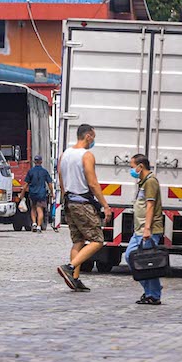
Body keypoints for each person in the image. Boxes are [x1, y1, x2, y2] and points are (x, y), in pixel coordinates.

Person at [57, 124, 110, 291]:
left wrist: (65, 199)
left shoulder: (64, 154)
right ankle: (70, 267)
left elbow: (61, 178)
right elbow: (93, 183)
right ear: (88, 136)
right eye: (93, 137)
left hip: (69, 201)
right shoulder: (86, 155)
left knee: (78, 241)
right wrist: (105, 206)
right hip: (82, 202)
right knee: (97, 240)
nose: (93, 140)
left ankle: (75, 279)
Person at [125, 154, 165, 305]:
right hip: (139, 229)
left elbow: (150, 206)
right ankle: (151, 290)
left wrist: (147, 229)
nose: (132, 170)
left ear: (140, 166)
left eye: (132, 167)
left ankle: (153, 294)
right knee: (132, 257)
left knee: (147, 262)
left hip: (147, 230)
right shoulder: (144, 182)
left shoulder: (151, 182)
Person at [21, 154, 53, 233]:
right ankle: (39, 226)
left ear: (34, 162)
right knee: (40, 210)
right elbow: (49, 183)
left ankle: (34, 223)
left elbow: (25, 185)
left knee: (33, 208)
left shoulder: (31, 171)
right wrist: (52, 193)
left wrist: (22, 194)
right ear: (41, 162)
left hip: (32, 193)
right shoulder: (44, 172)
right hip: (41, 193)